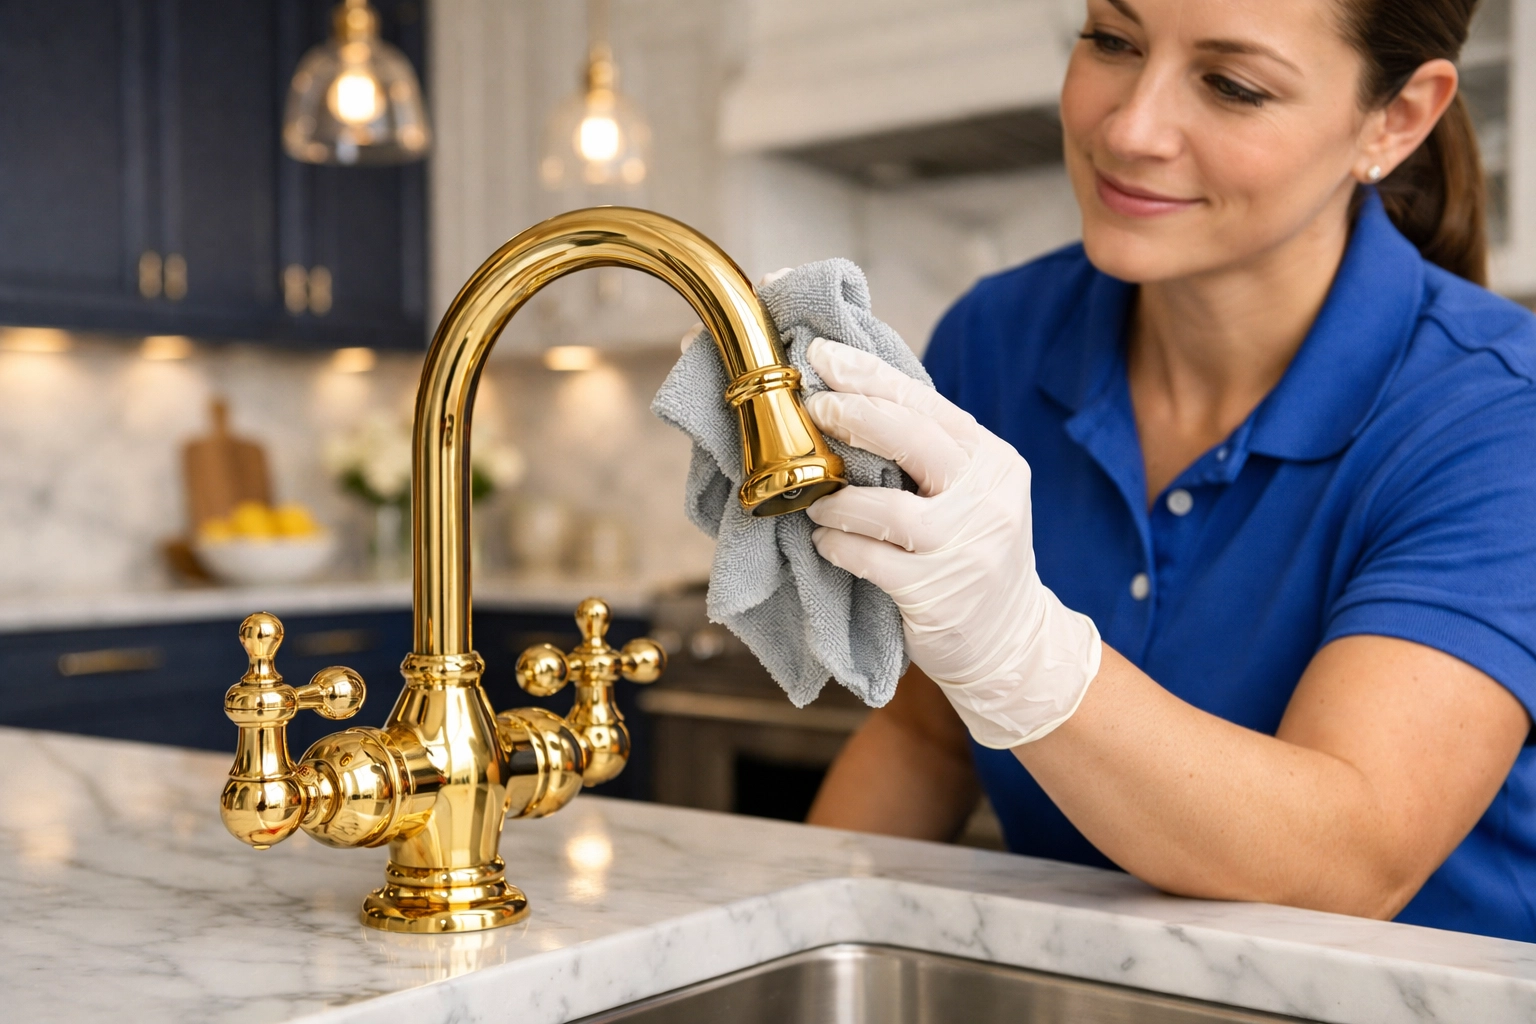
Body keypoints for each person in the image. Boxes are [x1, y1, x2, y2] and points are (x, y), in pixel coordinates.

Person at [802, 0, 1536, 942]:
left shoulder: (1497, 415)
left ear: (1395, 119)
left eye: (1234, 86)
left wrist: (1020, 649)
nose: (1130, 128)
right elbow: (926, 737)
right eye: (1113, 40)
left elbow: (1354, 863)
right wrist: (796, 942)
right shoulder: (997, 339)